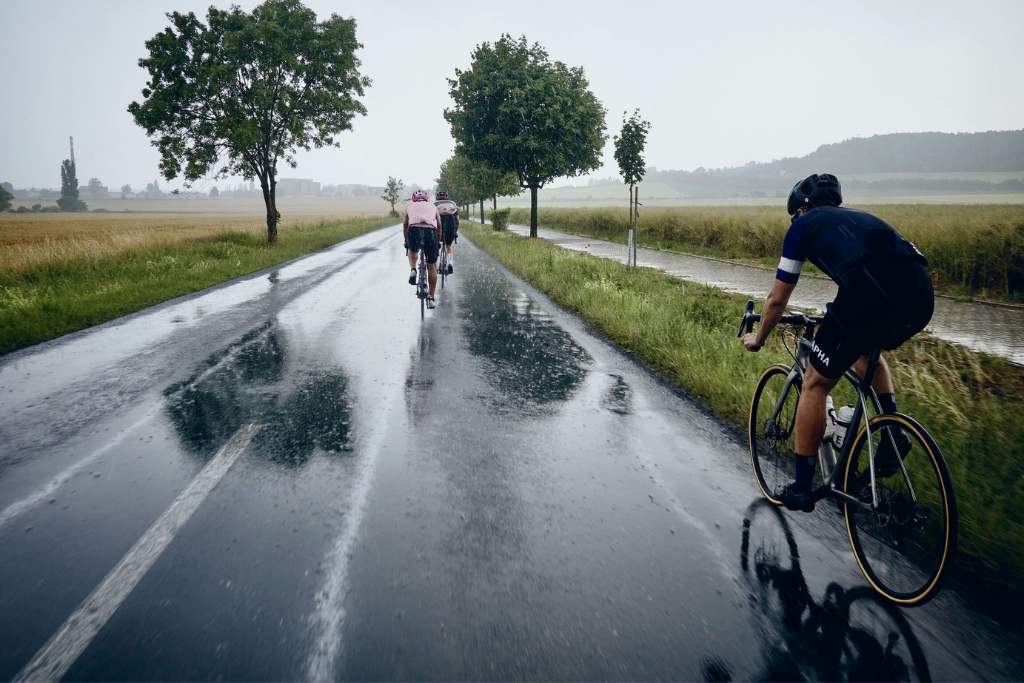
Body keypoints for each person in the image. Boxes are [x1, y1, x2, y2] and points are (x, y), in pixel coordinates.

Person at [741, 174, 932, 512]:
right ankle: (892, 430)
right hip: (919, 293)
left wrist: (759, 337)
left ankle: (802, 487)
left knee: (815, 382)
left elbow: (776, 299)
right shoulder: (858, 218)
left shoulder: (802, 226)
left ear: (800, 210)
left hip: (868, 288)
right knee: (864, 346)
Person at [403, 189, 443, 309]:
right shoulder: (433, 206)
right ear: (426, 198)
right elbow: (439, 227)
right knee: (432, 266)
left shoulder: (409, 206)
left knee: (413, 250)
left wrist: (407, 241)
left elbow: (405, 226)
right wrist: (438, 241)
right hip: (430, 232)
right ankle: (431, 298)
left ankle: (413, 269)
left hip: (413, 230)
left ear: (413, 198)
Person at [434, 191, 459, 274]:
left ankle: (434, 265)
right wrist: (455, 232)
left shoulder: (434, 205)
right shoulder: (452, 205)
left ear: (437, 197)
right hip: (450, 224)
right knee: (448, 245)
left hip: (439, 224)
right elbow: (457, 221)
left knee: (435, 245)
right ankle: (450, 263)